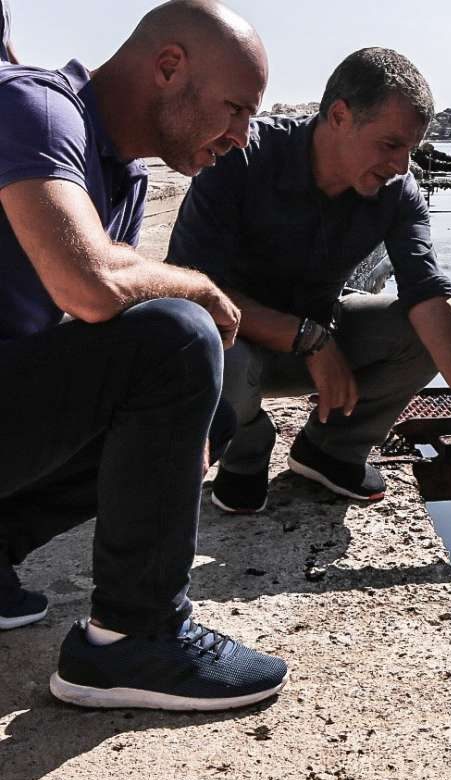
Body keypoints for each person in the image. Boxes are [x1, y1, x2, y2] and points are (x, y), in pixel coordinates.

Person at [0, 0, 288, 710]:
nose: (242, 139)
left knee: (207, 408)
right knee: (181, 333)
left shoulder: (122, 177)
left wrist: (164, 443)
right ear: (168, 68)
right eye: (236, 110)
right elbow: (89, 285)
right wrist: (198, 288)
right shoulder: (34, 107)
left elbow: (88, 353)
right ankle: (133, 638)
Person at [168, 47, 451, 519]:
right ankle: (247, 448)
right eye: (390, 145)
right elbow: (189, 288)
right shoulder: (243, 157)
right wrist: (309, 339)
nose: (402, 165)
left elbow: (432, 296)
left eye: (411, 150)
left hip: (320, 336)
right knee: (207, 339)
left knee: (425, 333)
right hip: (237, 343)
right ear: (339, 115)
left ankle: (330, 452)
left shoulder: (398, 193)